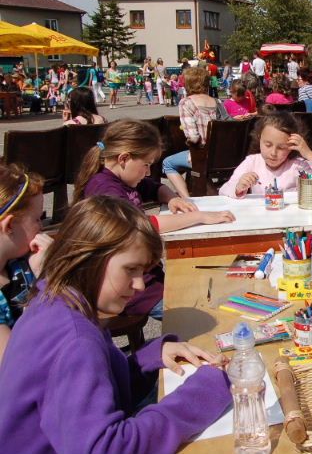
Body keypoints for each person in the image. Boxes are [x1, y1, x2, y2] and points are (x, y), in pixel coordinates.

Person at [0, 196, 231, 454]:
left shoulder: (54, 301)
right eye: (130, 269)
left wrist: (145, 360)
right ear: (87, 259)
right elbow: (106, 447)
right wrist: (205, 392)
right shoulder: (74, 340)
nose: (140, 285)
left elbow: (95, 390)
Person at [73, 119, 235, 234]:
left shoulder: (125, 178)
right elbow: (141, 224)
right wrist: (199, 216)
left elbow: (156, 188)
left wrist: (172, 198)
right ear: (123, 159)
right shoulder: (105, 189)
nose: (148, 172)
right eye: (146, 165)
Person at [0, 164, 51, 363]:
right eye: (37, 219)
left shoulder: (20, 263)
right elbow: (14, 364)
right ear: (9, 225)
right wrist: (45, 277)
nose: (41, 227)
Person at [219, 112, 312, 198]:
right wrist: (238, 188)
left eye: (281, 147)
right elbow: (223, 191)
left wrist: (310, 155)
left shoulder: (297, 166)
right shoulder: (252, 162)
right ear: (259, 139)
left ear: (291, 146)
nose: (273, 153)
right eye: (268, 145)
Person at [162, 68, 223, 199]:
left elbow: (193, 137)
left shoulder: (186, 103)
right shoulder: (217, 102)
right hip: (220, 155)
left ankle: (186, 198)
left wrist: (188, 141)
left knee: (167, 163)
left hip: (201, 155)